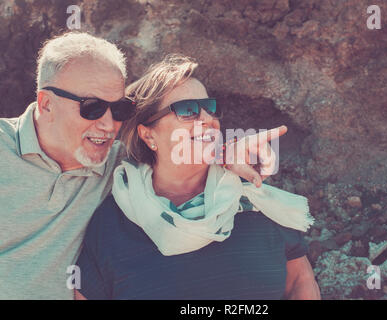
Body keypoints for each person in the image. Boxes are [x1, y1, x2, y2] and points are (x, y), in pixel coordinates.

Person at [0, 32, 281, 300]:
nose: (109, 125)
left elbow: (173, 151)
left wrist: (224, 154)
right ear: (46, 103)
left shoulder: (119, 165)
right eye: (92, 108)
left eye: (119, 109)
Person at [74, 54, 320, 300]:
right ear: (148, 136)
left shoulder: (255, 200)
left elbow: (300, 280)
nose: (207, 119)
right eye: (188, 110)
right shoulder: (112, 222)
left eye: (209, 108)